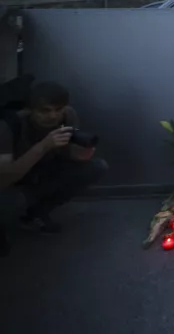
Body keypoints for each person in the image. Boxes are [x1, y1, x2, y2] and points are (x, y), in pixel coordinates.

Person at [0, 81, 108, 255]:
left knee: (96, 167)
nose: (53, 116)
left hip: (43, 172)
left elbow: (67, 154)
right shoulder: (10, 126)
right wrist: (43, 146)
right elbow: (3, 180)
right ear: (30, 110)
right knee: (11, 202)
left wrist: (79, 154)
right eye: (45, 111)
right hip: (14, 183)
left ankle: (36, 213)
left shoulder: (68, 115)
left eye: (58, 110)